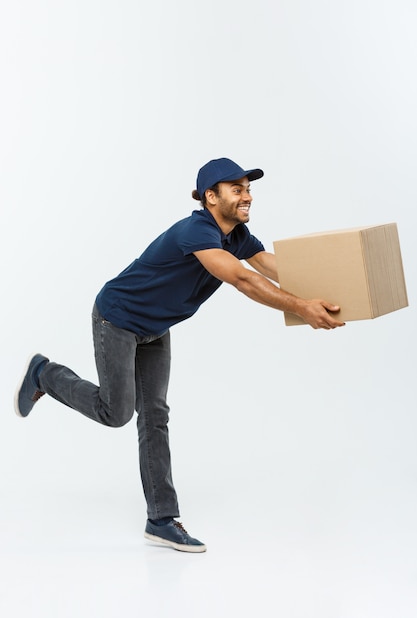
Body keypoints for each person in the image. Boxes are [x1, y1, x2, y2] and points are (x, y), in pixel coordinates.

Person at [15, 157, 345, 553]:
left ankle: (161, 519)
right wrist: (301, 308)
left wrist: (335, 287)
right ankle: (45, 374)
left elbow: (269, 266)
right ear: (211, 196)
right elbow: (243, 279)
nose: (248, 196)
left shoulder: (237, 235)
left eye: (249, 188)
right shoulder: (197, 230)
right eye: (237, 189)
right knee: (116, 412)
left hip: (155, 327)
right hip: (117, 318)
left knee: (154, 415)